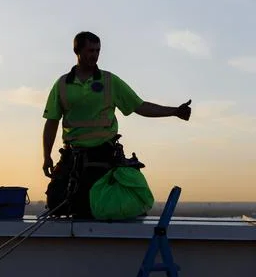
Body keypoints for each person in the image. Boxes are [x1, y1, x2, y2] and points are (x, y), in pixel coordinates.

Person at [42, 31, 191, 218]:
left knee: (96, 206)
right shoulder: (62, 84)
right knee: (57, 204)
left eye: (97, 51)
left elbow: (140, 106)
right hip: (72, 157)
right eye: (90, 50)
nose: (94, 55)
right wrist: (46, 156)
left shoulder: (109, 81)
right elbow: (51, 122)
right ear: (77, 51)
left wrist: (175, 111)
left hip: (103, 155)